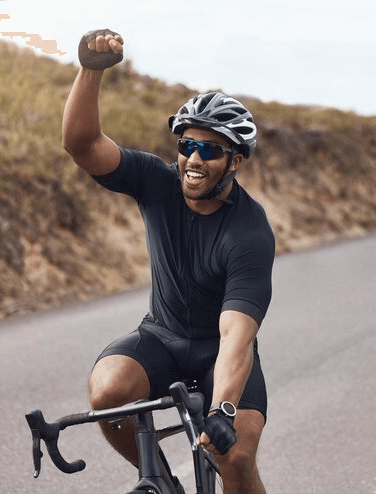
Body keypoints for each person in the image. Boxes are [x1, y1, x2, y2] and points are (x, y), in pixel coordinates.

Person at [62, 29, 274, 493]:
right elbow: (82, 144)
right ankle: (161, 482)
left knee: (234, 453)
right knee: (109, 389)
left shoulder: (249, 233)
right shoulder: (156, 183)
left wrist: (223, 410)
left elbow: (236, 337)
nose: (193, 158)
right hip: (162, 335)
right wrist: (90, 71)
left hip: (219, 354)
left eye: (210, 149)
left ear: (235, 162)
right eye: (186, 146)